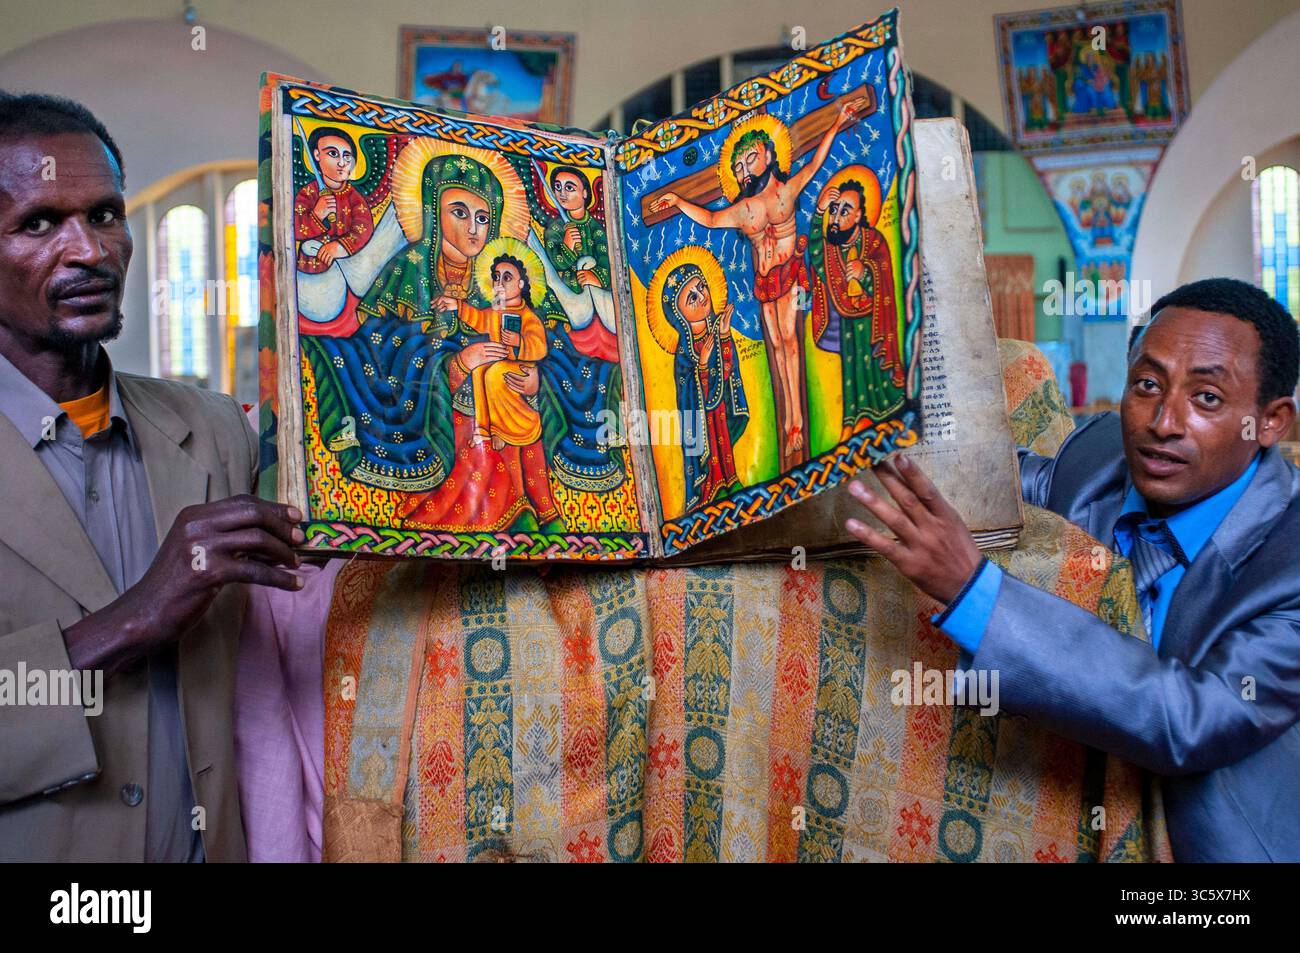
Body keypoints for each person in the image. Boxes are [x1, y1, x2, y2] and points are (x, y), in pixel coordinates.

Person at [844, 278, 1300, 861]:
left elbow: (1190, 720)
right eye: (1148, 385)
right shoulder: (1098, 459)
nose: (1164, 422)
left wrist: (974, 591)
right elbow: (982, 477)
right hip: (1075, 815)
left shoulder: (1289, 560)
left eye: (1207, 398)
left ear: (1270, 421)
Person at [0, 92, 303, 861]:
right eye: (39, 223)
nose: (90, 251)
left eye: (105, 215)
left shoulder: (216, 430)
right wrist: (133, 617)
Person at [808, 173, 904, 441]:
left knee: (875, 369)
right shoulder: (832, 248)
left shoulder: (874, 241)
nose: (837, 216)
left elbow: (885, 275)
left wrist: (866, 272)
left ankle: (885, 414)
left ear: (860, 214)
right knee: (852, 373)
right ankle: (852, 420)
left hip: (874, 320)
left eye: (845, 210)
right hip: (848, 322)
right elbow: (816, 254)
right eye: (834, 210)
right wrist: (818, 212)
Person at [293, 126, 374, 274]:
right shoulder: (308, 193)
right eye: (333, 153)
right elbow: (294, 229)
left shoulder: (353, 196)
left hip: (345, 266)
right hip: (310, 268)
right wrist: (317, 214)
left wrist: (340, 246)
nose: (342, 163)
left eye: (347, 156)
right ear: (317, 155)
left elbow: (364, 226)